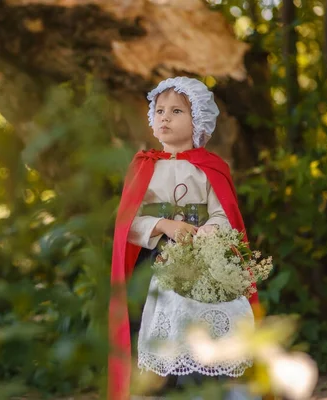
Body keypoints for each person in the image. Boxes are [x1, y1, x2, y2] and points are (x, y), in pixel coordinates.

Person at [108, 77, 261, 400]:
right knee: (153, 331)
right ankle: (154, 389)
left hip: (202, 260)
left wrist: (208, 230)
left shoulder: (211, 168)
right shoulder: (144, 167)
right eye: (160, 110)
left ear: (198, 121)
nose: (164, 117)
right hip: (153, 262)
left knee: (205, 330)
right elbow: (127, 224)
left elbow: (224, 214)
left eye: (176, 111)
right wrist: (163, 225)